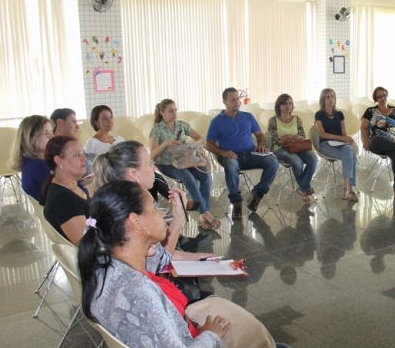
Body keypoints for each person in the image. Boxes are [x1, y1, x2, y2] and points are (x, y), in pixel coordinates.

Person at [78, 181, 296, 348]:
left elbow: (158, 260)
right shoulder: (139, 291)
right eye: (155, 208)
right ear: (135, 221)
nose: (163, 214)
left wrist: (178, 220)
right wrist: (211, 336)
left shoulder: (105, 265)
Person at [93, 140, 213, 259]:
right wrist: (178, 218)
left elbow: (159, 253)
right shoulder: (130, 212)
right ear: (133, 174)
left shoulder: (122, 198)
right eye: (149, 163)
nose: (154, 168)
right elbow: (159, 260)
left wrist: (196, 257)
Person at [206, 88, 279, 218]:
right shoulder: (217, 121)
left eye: (237, 99)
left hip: (250, 154)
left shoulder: (248, 117)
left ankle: (257, 194)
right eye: (232, 99)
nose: (237, 102)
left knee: (273, 161)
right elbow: (208, 144)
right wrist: (222, 152)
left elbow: (260, 135)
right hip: (231, 156)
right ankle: (236, 202)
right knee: (230, 165)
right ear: (225, 102)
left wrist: (261, 144)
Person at [149, 99, 219, 230]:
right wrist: (165, 144)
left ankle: (203, 216)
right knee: (189, 179)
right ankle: (205, 213)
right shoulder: (156, 130)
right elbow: (152, 154)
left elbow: (200, 137)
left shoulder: (181, 125)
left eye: (175, 110)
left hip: (185, 161)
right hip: (167, 164)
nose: (174, 113)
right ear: (162, 112)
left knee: (206, 175)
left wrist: (191, 145)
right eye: (170, 111)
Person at [267, 94, 317, 203]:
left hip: (297, 146)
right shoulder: (273, 121)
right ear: (279, 106)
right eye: (285, 104)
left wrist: (288, 137)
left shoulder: (297, 119)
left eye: (290, 103)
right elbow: (275, 139)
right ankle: (304, 188)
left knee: (313, 158)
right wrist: (290, 137)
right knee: (297, 161)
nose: (288, 106)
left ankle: (302, 188)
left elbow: (301, 136)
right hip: (280, 149)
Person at [39, 136, 89, 245]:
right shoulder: (63, 200)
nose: (84, 158)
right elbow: (86, 244)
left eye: (83, 153)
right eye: (77, 155)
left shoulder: (71, 184)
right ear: (59, 161)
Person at [315, 88, 358, 202]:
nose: (331, 99)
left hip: (339, 144)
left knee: (349, 151)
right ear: (323, 100)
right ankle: (349, 188)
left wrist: (347, 140)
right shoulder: (319, 115)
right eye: (328, 97)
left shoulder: (339, 114)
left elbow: (343, 133)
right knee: (351, 155)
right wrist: (342, 138)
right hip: (325, 145)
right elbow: (323, 134)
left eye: (333, 96)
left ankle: (346, 189)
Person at [9, 115, 53, 201]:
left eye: (51, 131)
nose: (52, 136)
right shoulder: (39, 166)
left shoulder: (31, 163)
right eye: (45, 133)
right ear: (30, 138)